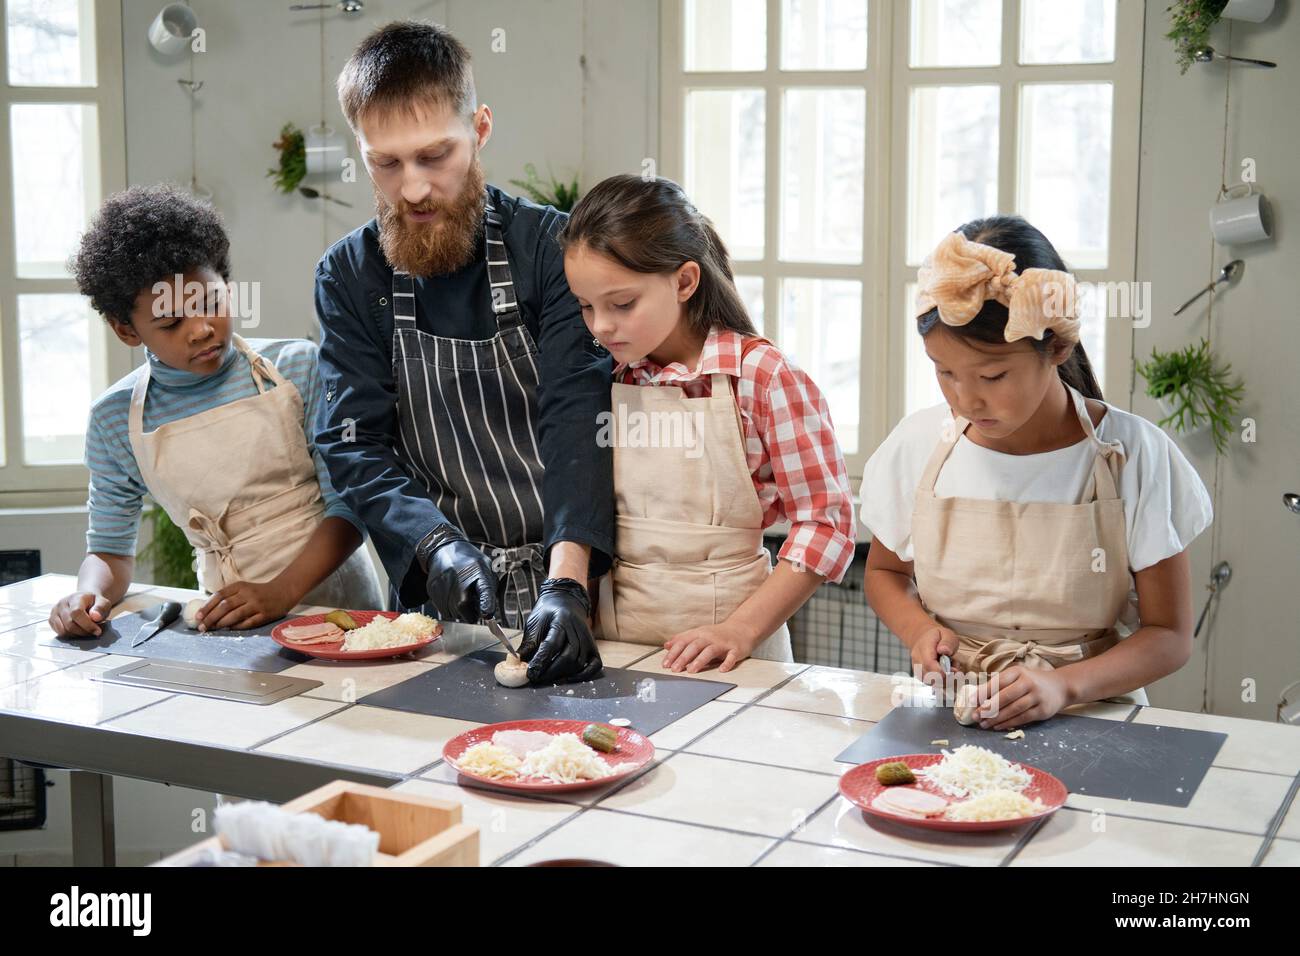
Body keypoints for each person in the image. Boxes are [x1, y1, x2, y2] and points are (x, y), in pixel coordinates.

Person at [314, 21, 613, 684]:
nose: (413, 188)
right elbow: (353, 443)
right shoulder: (349, 277)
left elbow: (579, 419)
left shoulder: (552, 251)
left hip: (575, 583)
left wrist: (568, 585)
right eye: (385, 164)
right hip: (437, 604)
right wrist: (434, 544)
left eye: (434, 156)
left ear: (479, 130)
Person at [862, 217, 1212, 728]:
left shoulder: (1131, 455)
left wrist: (1063, 685)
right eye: (945, 372)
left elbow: (1169, 634)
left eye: (992, 375)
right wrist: (917, 629)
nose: (965, 398)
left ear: (1058, 348)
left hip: (1093, 713)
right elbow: (886, 574)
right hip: (954, 712)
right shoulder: (918, 446)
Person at [50, 185, 382, 638]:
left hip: (338, 604)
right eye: (170, 323)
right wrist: (88, 597)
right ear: (127, 330)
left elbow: (350, 507)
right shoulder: (115, 420)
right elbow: (109, 551)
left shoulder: (296, 367)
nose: (202, 329)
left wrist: (281, 592)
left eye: (212, 302)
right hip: (228, 618)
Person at [560, 175, 856, 673]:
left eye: (622, 304)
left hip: (733, 659)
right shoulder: (608, 378)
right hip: (617, 649)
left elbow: (826, 525)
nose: (601, 326)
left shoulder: (762, 377)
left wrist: (739, 630)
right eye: (586, 306)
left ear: (685, 281)